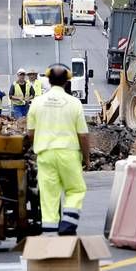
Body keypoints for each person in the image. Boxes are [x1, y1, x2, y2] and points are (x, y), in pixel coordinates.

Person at [27, 64, 90, 235]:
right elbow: (83, 135)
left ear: (48, 80)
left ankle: (49, 236)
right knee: (75, 189)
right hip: (69, 154)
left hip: (45, 154)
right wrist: (86, 158)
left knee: (48, 196)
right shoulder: (74, 103)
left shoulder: (37, 103)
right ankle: (68, 225)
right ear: (67, 82)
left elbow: (30, 133)